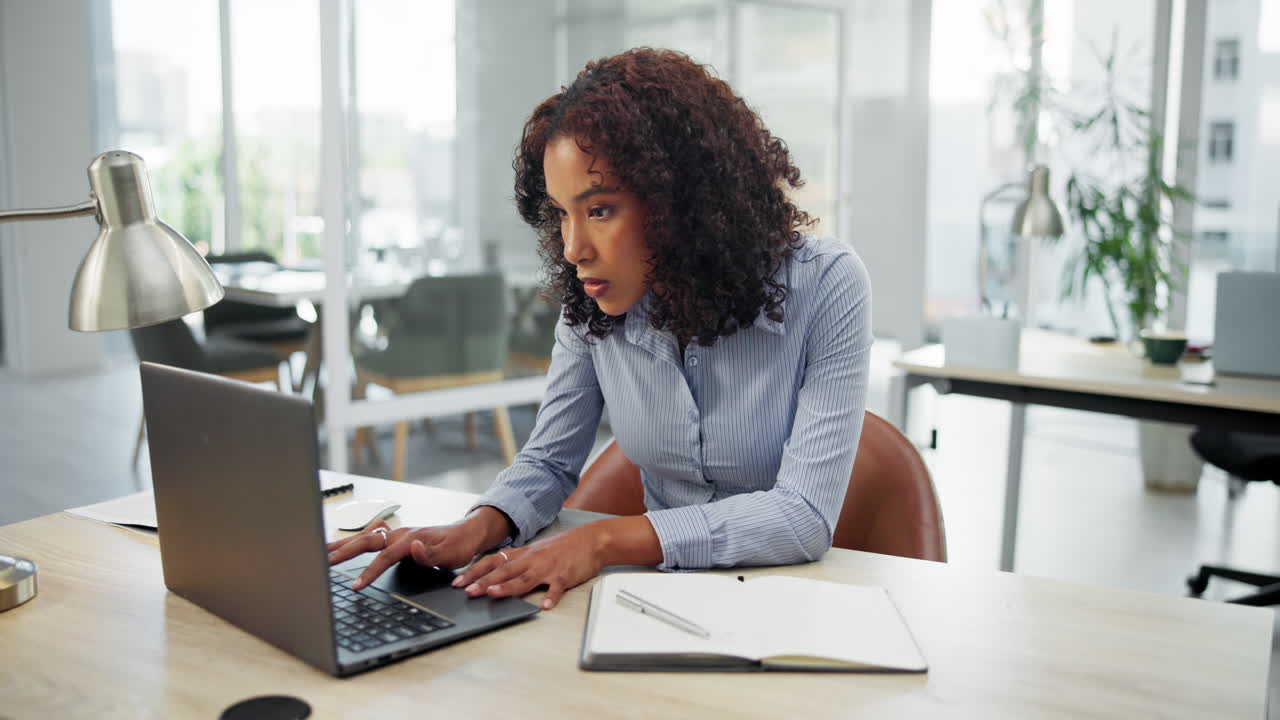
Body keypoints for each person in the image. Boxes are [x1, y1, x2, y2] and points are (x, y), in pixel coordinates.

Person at [328, 47, 872, 611]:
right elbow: (548, 462)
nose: (573, 248)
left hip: (789, 605)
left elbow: (802, 516)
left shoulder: (827, 284)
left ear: (681, 200)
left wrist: (605, 540)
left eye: (600, 210)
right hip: (656, 599)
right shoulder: (590, 302)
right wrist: (479, 526)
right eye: (562, 213)